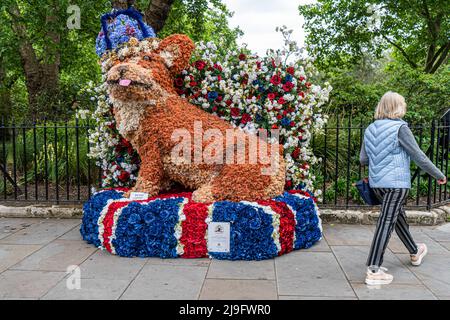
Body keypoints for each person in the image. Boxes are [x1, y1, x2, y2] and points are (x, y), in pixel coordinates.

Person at [360, 91, 447, 285]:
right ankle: (373, 269)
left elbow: (363, 159)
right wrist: (439, 175)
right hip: (396, 185)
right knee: (387, 221)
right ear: (397, 107)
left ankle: (415, 251)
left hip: (377, 185)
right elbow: (419, 156)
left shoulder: (370, 128)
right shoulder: (401, 128)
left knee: (397, 218)